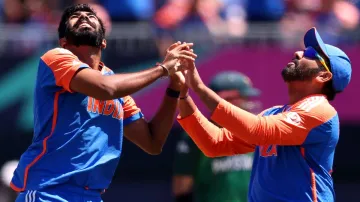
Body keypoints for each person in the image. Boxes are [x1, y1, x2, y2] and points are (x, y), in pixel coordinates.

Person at [10, 4, 197, 202]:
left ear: (104, 42)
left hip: (91, 196)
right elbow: (105, 89)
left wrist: (174, 87)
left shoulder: (114, 83)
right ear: (63, 41)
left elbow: (152, 142)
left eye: (90, 16)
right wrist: (163, 69)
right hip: (49, 190)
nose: (83, 17)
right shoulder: (56, 58)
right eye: (75, 17)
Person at [177, 27, 351, 202]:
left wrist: (198, 87)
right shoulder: (273, 112)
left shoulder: (320, 109)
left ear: (323, 76)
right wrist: (183, 94)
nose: (298, 53)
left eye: (311, 53)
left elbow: (257, 130)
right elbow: (215, 143)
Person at [172, 71, 261, 202]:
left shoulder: (258, 130)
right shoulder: (196, 134)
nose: (245, 103)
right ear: (223, 99)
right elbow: (182, 187)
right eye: (241, 98)